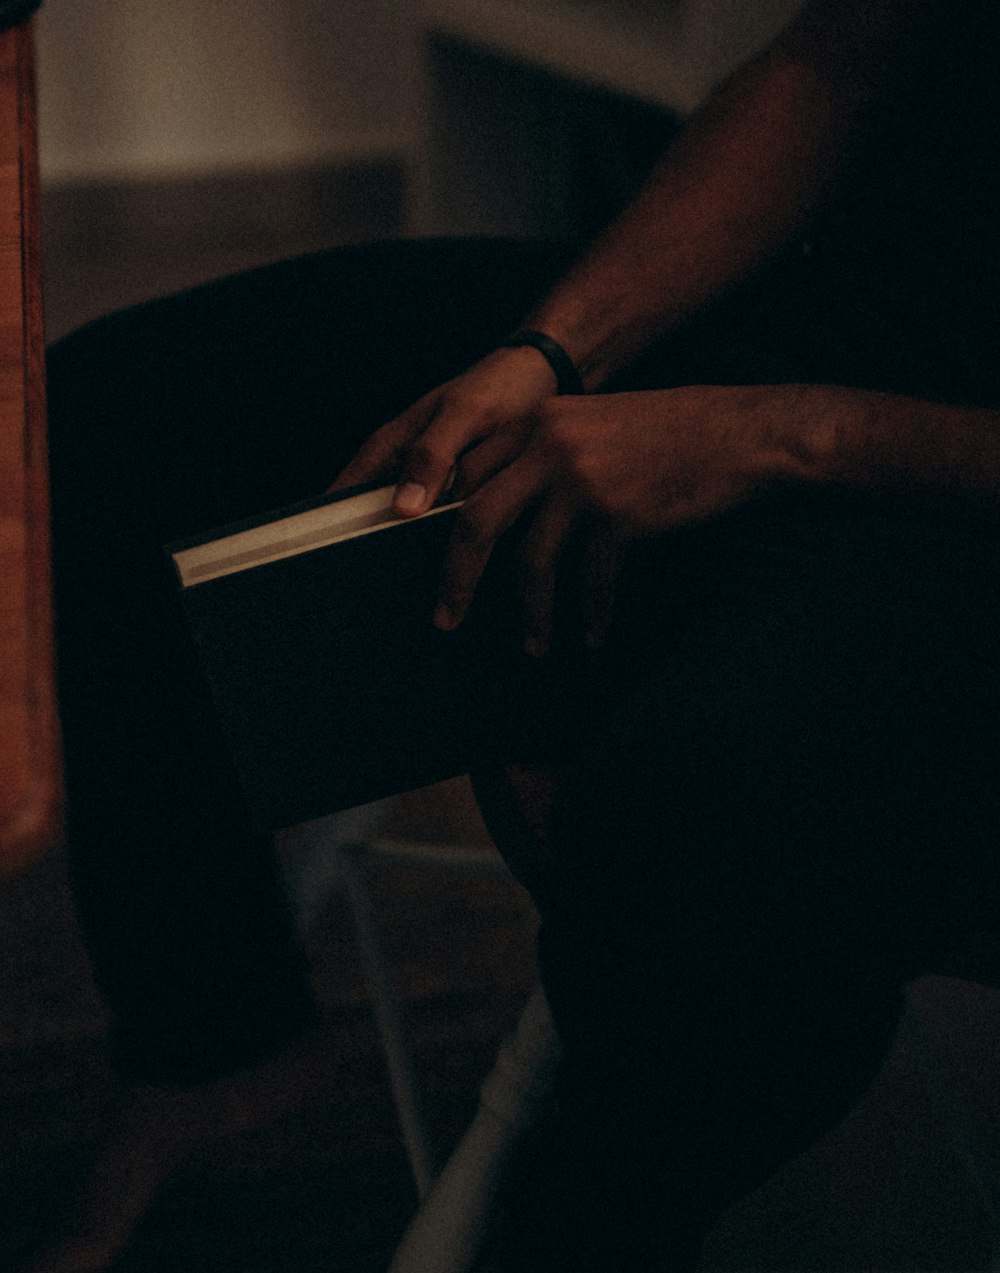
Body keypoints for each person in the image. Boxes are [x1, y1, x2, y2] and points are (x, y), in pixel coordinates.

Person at [31, 0, 1000, 1268]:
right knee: (97, 440)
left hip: (948, 514)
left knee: (717, 816)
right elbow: (847, 53)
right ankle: (215, 1038)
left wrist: (777, 435)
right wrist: (550, 351)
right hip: (826, 323)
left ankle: (576, 1224)